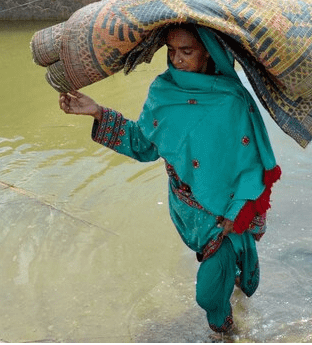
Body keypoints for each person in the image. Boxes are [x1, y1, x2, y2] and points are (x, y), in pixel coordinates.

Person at [59, 23, 281, 334]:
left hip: (226, 210)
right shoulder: (162, 91)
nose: (176, 59)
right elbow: (144, 144)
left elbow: (251, 162)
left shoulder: (231, 100)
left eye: (186, 51)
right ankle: (231, 309)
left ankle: (226, 334)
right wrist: (97, 112)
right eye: (172, 51)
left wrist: (238, 211)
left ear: (208, 53)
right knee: (219, 273)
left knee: (207, 294)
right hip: (188, 208)